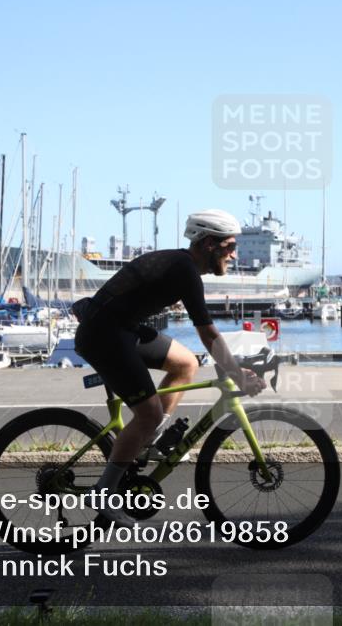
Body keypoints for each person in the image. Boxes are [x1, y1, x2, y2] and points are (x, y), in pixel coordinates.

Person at [74, 209, 266, 527]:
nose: (235, 254)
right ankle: (104, 492)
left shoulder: (182, 266)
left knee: (186, 363)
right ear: (209, 244)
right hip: (104, 335)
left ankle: (147, 439)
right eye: (230, 246)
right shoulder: (184, 270)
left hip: (122, 328)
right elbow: (207, 332)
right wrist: (235, 373)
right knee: (147, 414)